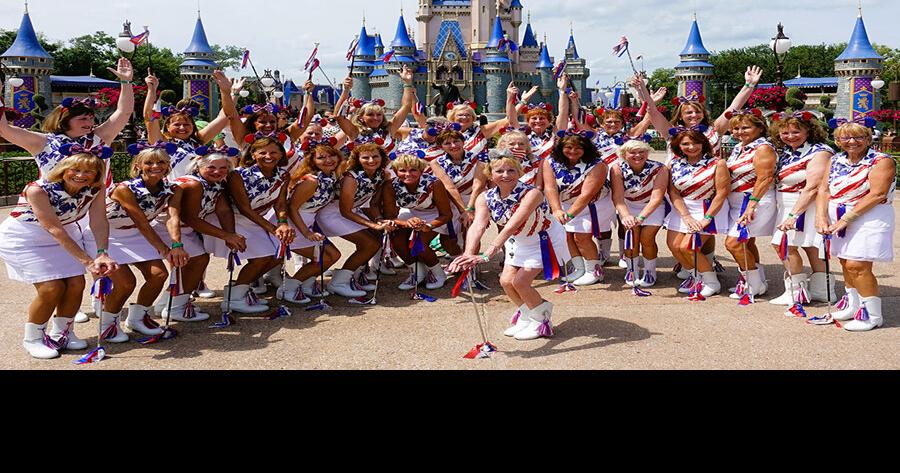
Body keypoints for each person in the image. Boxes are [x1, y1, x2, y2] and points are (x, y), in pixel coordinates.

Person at [635, 67, 763, 276]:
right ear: (681, 115)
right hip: (682, 188)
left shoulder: (715, 129)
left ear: (703, 113)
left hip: (710, 186)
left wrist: (749, 85)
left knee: (705, 230)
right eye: (688, 112)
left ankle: (707, 263)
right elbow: (653, 112)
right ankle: (693, 264)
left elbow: (733, 107)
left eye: (697, 111)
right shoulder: (672, 132)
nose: (693, 115)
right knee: (682, 231)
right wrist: (643, 91)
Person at [0, 148, 118, 359]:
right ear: (63, 170)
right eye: (75, 169)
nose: (81, 175)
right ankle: (33, 338)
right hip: (25, 238)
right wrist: (88, 261)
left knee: (76, 284)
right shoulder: (37, 190)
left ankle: (63, 333)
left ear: (97, 174)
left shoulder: (96, 189)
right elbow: (54, 229)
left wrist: (102, 253)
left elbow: (99, 221)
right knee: (51, 287)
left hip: (65, 234)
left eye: (89, 171)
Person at [448, 156, 569, 341]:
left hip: (544, 239)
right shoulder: (485, 197)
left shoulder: (532, 193)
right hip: (519, 240)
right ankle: (528, 314)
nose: (506, 175)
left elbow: (513, 224)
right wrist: (468, 254)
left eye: (511, 170)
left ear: (519, 172)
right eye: (499, 171)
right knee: (506, 281)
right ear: (490, 174)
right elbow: (478, 225)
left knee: (520, 282)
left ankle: (542, 320)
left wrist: (488, 254)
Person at [83, 142, 189, 337]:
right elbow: (142, 222)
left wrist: (176, 245)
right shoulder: (124, 189)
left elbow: (173, 218)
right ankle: (108, 325)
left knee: (158, 275)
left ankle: (137, 318)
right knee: (126, 282)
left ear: (168, 165)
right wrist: (164, 250)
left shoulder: (174, 189)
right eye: (149, 162)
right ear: (138, 165)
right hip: (108, 235)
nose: (155, 166)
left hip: (135, 234)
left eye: (161, 162)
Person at [815, 120, 895, 331]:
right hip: (838, 215)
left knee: (857, 265)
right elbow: (823, 189)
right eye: (845, 137)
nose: (852, 141)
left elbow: (877, 194)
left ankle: (873, 315)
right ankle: (853, 305)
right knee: (844, 262)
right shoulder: (835, 159)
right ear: (837, 140)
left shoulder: (881, 161)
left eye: (859, 137)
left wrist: (844, 220)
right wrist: (821, 217)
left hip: (869, 217)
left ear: (868, 138)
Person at [0, 57, 134, 183]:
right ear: (63, 120)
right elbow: (4, 130)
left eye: (91, 118)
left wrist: (126, 82)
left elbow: (124, 112)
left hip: (97, 202)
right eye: (83, 119)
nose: (89, 123)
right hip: (53, 205)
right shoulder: (43, 142)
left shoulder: (99, 137)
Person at [206, 136, 295, 313]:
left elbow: (280, 203)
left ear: (281, 154)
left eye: (274, 152)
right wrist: (272, 228)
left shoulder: (283, 175)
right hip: (234, 219)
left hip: (256, 220)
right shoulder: (238, 174)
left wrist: (283, 223)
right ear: (253, 154)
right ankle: (234, 298)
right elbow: (244, 208)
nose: (268, 156)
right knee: (262, 257)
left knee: (278, 253)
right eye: (262, 152)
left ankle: (240, 290)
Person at [162, 148, 248, 321]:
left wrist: (231, 234)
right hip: (166, 227)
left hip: (185, 228)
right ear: (198, 166)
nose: (218, 172)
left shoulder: (217, 184)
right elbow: (191, 218)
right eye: (211, 167)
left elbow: (223, 210)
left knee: (195, 261)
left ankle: (167, 303)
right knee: (197, 259)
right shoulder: (194, 184)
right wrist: (226, 236)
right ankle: (176, 308)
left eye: (223, 168)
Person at [768, 112, 834, 305]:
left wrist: (792, 215)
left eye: (796, 131)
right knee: (809, 246)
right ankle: (822, 291)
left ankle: (796, 291)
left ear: (809, 131)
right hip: (787, 202)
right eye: (785, 132)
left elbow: (813, 186)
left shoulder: (820, 151)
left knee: (784, 244)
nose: (790, 136)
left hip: (805, 204)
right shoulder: (787, 152)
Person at [314, 143, 393, 296]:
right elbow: (345, 211)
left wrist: (379, 219)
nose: (371, 160)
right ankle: (338, 282)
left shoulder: (381, 174)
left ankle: (355, 277)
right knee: (369, 244)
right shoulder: (351, 178)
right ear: (357, 159)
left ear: (382, 158)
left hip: (351, 211)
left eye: (375, 156)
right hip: (332, 213)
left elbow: (374, 203)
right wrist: (372, 224)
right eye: (365, 157)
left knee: (375, 237)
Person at [666, 129, 730, 296]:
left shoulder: (718, 163)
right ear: (678, 146)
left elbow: (722, 192)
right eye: (685, 144)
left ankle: (711, 281)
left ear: (703, 143)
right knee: (674, 246)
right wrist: (685, 216)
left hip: (707, 208)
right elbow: (673, 192)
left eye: (695, 142)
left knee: (688, 246)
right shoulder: (673, 164)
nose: (691, 147)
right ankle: (696, 275)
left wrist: (707, 218)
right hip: (683, 208)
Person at [542, 131, 609, 286]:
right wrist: (557, 210)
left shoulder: (597, 164)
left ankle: (594, 270)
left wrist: (569, 215)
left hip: (593, 205)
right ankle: (578, 268)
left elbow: (587, 194)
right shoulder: (550, 161)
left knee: (581, 237)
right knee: (565, 235)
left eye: (578, 147)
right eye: (568, 147)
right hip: (564, 203)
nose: (573, 151)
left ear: (586, 149)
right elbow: (550, 187)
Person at [280, 143, 345, 302]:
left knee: (333, 255)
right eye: (321, 157)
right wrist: (306, 232)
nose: (328, 160)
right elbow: (292, 208)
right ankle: (287, 288)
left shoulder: (331, 176)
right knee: (325, 257)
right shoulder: (311, 180)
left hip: (308, 222)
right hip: (296, 225)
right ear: (312, 161)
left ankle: (306, 284)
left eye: (331, 155)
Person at [724, 110, 777, 299]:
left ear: (760, 127)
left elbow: (765, 178)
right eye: (736, 128)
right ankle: (757, 281)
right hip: (738, 201)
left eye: (745, 127)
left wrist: (752, 204)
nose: (740, 132)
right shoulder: (740, 147)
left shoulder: (763, 148)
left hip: (756, 200)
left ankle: (753, 284)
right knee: (747, 241)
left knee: (733, 243)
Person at [381, 153, 454, 291]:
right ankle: (417, 272)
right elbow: (390, 215)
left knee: (418, 244)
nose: (408, 174)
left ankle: (438, 273)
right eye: (402, 170)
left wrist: (428, 226)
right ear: (396, 171)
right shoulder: (390, 185)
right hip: (410, 214)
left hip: (435, 215)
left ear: (421, 171)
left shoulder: (434, 183)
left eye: (413, 170)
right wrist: (407, 223)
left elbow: (446, 214)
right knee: (396, 239)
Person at [143, 70, 231, 179]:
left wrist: (227, 92)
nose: (182, 128)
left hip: (198, 191)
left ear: (193, 126)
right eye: (177, 124)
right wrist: (151, 89)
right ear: (167, 126)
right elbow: (149, 117)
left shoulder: (198, 140)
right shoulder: (162, 143)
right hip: (172, 192)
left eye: (186, 124)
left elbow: (223, 117)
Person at [610, 139, 669, 287]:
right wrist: (626, 215)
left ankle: (650, 271)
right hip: (628, 206)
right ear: (624, 154)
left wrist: (641, 217)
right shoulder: (617, 168)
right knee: (632, 237)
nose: (638, 155)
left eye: (641, 152)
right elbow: (617, 197)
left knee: (647, 238)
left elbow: (657, 197)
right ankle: (632, 270)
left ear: (647, 152)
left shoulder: (660, 168)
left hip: (652, 207)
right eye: (633, 152)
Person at [429, 129, 489, 256]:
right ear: (441, 146)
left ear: (463, 142)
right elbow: (450, 187)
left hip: (474, 199)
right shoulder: (436, 163)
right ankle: (458, 260)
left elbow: (478, 186)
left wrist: (470, 209)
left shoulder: (479, 158)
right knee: (447, 241)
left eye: (456, 141)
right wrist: (464, 211)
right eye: (447, 143)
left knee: (471, 232)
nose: (453, 145)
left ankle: (471, 267)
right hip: (451, 201)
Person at [333, 66, 415, 154]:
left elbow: (406, 106)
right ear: (361, 117)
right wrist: (346, 90)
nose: (375, 118)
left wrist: (407, 83)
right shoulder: (355, 132)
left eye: (379, 114)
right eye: (370, 115)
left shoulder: (389, 129)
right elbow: (338, 116)